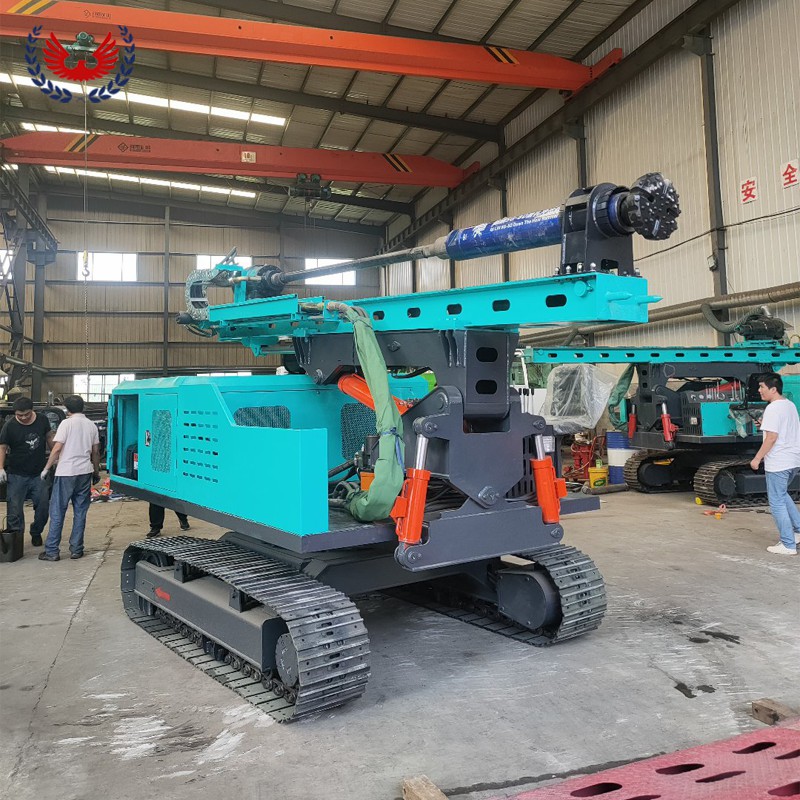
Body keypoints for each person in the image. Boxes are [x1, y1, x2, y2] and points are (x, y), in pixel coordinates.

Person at [38, 395, 100, 562]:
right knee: (80, 511)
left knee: (58, 511)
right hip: (84, 472)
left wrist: (46, 468)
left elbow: (57, 448)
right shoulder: (91, 425)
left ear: (67, 409)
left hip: (66, 472)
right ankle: (77, 549)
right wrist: (96, 471)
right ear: (83, 407)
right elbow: (95, 452)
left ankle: (52, 551)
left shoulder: (66, 424)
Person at [750, 373, 800, 555]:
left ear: (773, 389)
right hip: (793, 460)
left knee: (777, 502)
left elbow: (771, 438)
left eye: (762, 387)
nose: (759, 390)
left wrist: (757, 458)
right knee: (782, 495)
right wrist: (764, 425)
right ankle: (797, 532)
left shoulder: (772, 408)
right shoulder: (789, 405)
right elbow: (782, 428)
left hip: (779, 462)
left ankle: (788, 544)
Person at [0, 397, 55, 546]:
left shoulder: (42, 420)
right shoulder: (9, 426)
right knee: (14, 510)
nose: (24, 417)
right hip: (16, 474)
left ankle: (36, 532)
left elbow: (50, 437)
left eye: (27, 414)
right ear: (15, 413)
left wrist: (56, 456)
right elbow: (2, 447)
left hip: (39, 473)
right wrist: (1, 468)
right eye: (20, 415)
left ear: (32, 410)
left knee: (43, 507)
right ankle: (15, 541)